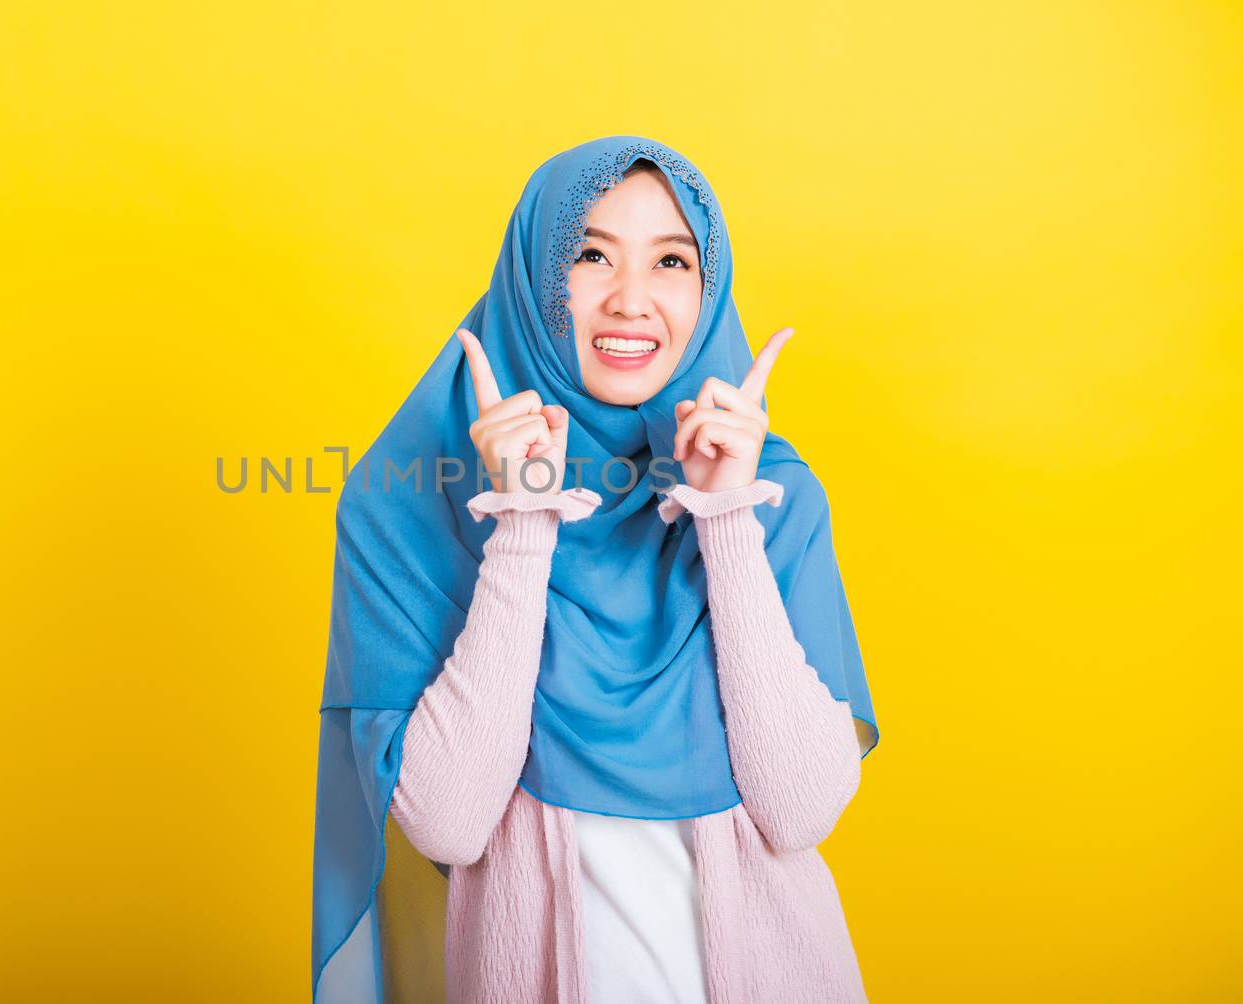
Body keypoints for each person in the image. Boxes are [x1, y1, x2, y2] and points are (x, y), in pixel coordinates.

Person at [312, 135, 880, 1003]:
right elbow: (451, 823)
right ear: (533, 279)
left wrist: (726, 521)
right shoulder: (407, 504)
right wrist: (523, 523)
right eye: (589, 255)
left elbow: (801, 807)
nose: (631, 300)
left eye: (671, 262)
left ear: (708, 288)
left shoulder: (774, 496)